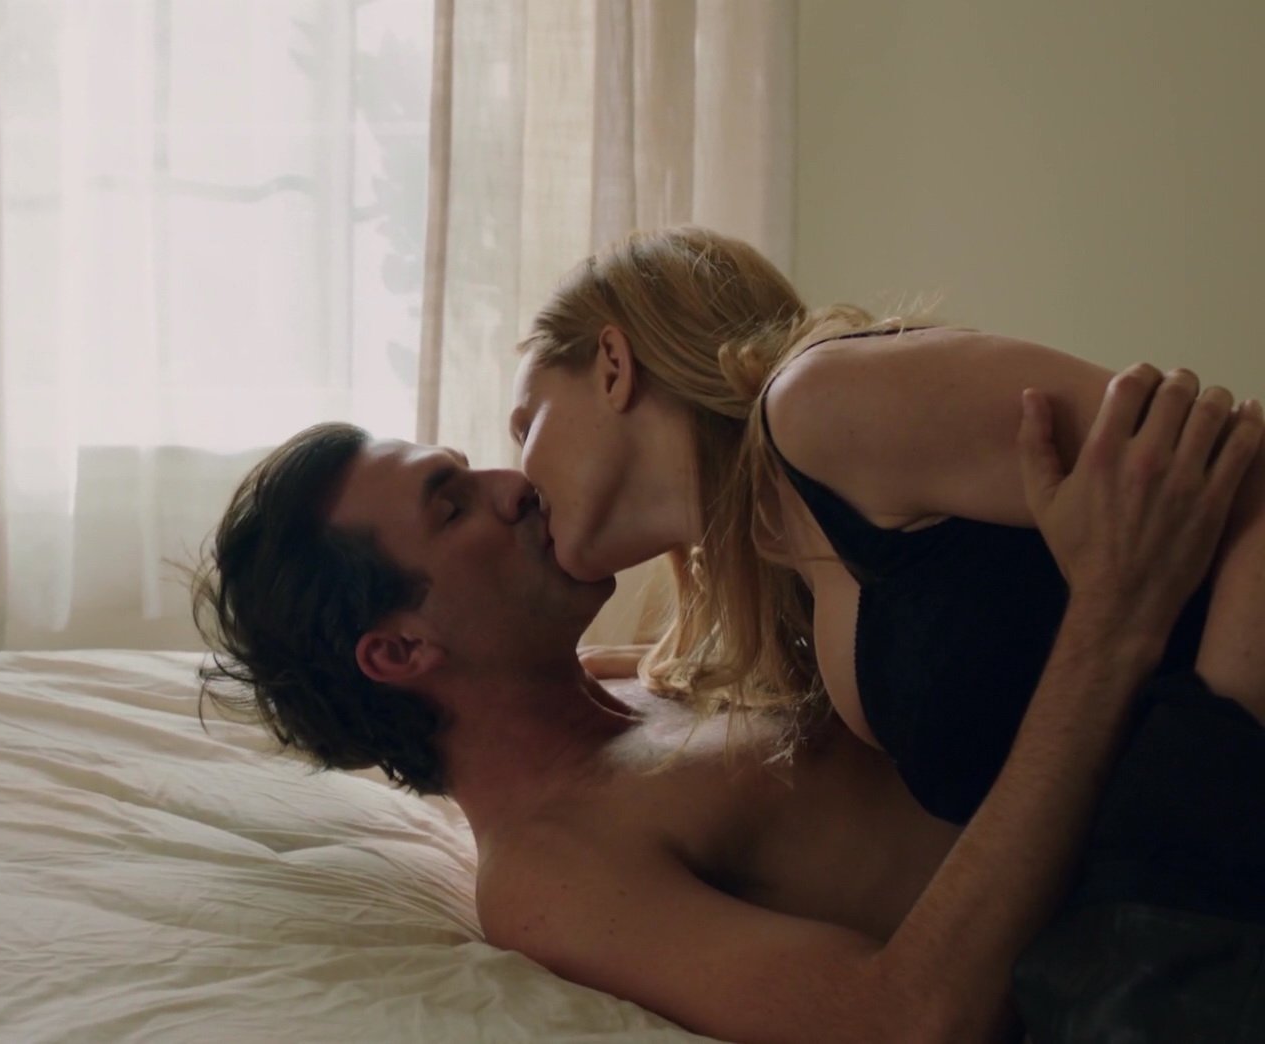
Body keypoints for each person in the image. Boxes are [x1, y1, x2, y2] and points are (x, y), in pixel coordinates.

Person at [189, 371, 1261, 1041]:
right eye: (453, 503)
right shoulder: (549, 870)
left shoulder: (636, 675)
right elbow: (909, 1017)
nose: (514, 487)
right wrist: (1112, 622)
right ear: (400, 649)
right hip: (1185, 898)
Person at [505, 226, 1265, 1038]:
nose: (516, 476)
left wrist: (1203, 793)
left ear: (612, 366)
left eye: (525, 425)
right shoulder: (797, 562)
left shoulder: (821, 402)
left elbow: (1249, 476)